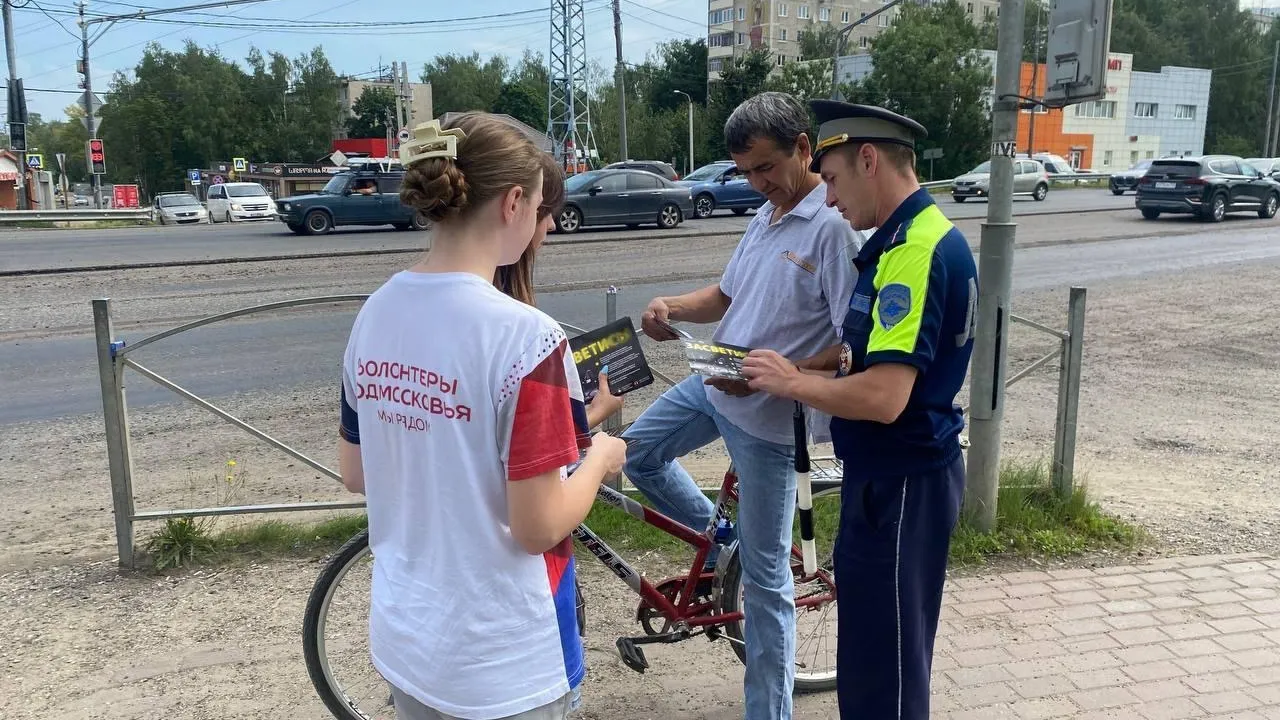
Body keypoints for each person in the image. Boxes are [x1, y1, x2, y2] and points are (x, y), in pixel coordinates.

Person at [335, 113, 627, 720]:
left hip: (408, 640)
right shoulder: (528, 338)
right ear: (516, 202)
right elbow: (538, 527)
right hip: (503, 658)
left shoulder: (376, 313)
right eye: (542, 208)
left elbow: (358, 472)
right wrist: (598, 458)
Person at [621, 91, 861, 720]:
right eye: (746, 173)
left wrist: (770, 375)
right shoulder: (767, 214)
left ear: (802, 149)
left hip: (771, 425)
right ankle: (724, 543)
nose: (757, 184)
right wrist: (672, 305)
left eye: (765, 168)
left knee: (765, 589)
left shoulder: (832, 227)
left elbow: (849, 351)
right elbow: (726, 296)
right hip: (714, 382)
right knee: (636, 456)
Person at [740, 100, 979, 720]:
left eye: (837, 179)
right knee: (874, 659)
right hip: (891, 482)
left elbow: (883, 394)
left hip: (902, 485)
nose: (832, 197)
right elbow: (863, 356)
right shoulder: (901, 241)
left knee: (886, 677)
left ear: (868, 159)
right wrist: (815, 367)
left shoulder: (913, 252)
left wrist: (791, 381)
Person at [497, 152, 624, 429]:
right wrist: (598, 427)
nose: (552, 224)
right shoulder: (532, 333)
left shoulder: (385, 309)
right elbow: (543, 444)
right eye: (544, 210)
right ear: (514, 205)